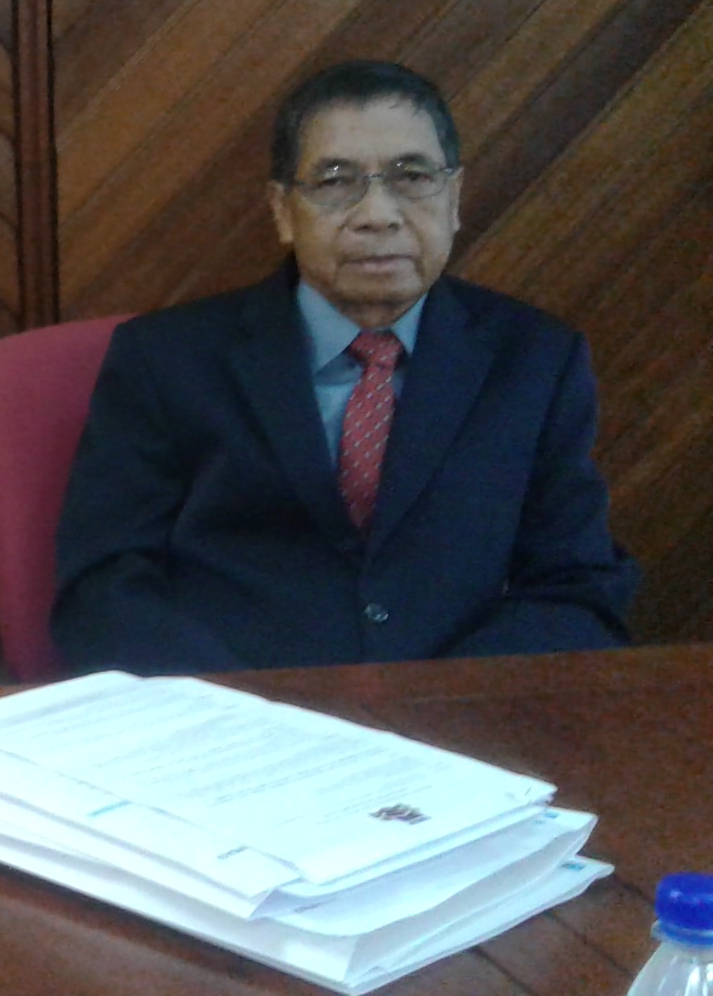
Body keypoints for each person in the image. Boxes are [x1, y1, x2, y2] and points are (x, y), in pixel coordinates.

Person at [51, 60, 638, 675]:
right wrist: (229, 705)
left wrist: (444, 700)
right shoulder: (165, 360)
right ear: (283, 210)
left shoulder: (536, 361)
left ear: (454, 198)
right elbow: (103, 586)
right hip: (232, 709)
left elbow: (577, 585)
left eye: (413, 177)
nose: (377, 214)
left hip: (456, 711)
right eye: (336, 181)